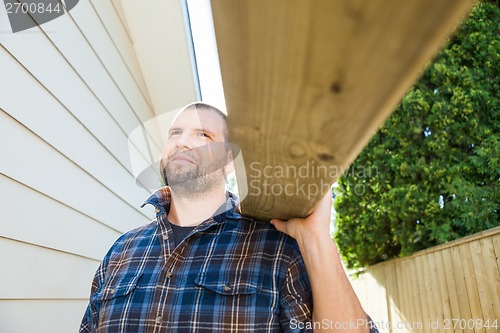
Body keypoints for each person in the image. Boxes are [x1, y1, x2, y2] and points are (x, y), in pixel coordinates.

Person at [80, 102, 377, 333]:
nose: (183, 142)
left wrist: (316, 238)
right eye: (175, 133)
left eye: (203, 135)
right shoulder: (120, 252)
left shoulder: (275, 247)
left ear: (230, 160)